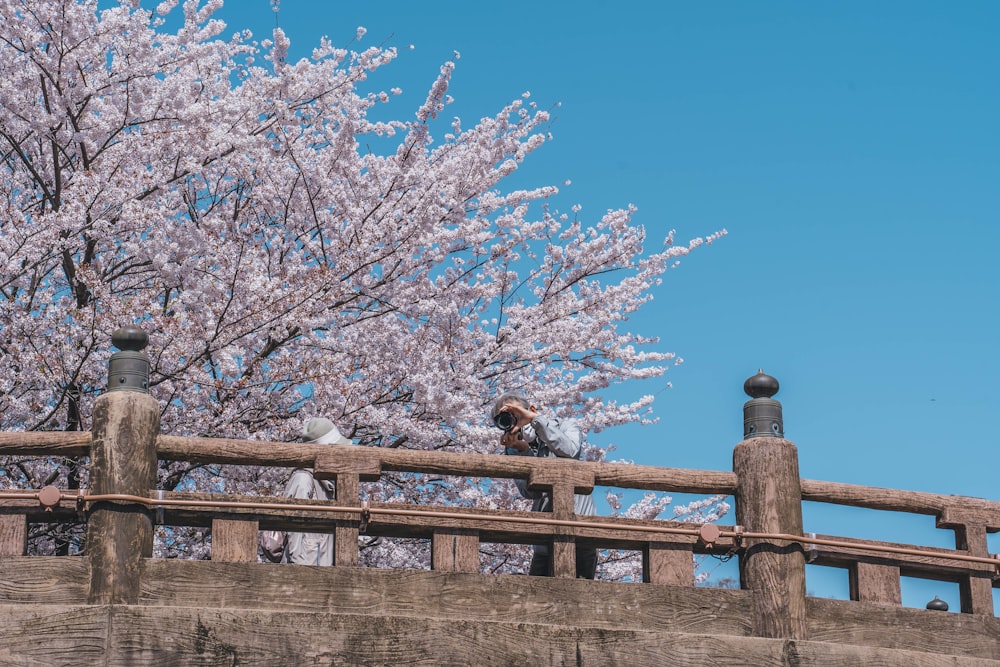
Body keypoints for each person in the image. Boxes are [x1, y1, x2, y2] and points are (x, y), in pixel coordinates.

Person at [493, 392, 598, 579]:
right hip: (544, 541)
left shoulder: (566, 426)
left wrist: (536, 422)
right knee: (537, 604)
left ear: (531, 410)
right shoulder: (514, 447)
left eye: (517, 414)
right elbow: (529, 492)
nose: (514, 421)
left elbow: (570, 451)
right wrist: (522, 451)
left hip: (583, 532)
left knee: (581, 602)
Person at [283, 417, 353, 566]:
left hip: (321, 570)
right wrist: (299, 569)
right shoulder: (303, 479)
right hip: (305, 573)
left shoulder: (326, 485)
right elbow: (293, 526)